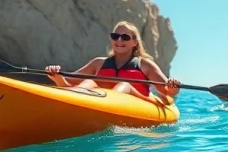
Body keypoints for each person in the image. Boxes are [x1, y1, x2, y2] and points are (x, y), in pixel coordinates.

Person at [44, 20, 180, 100]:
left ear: (135, 42)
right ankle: (69, 99)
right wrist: (57, 76)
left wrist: (174, 86)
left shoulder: (145, 65)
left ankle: (106, 103)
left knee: (125, 85)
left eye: (125, 37)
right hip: (98, 101)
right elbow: (70, 81)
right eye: (115, 36)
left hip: (133, 104)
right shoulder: (98, 63)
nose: (119, 40)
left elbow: (167, 91)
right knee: (89, 81)